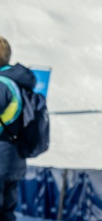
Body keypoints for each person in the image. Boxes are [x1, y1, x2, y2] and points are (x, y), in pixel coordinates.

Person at [0, 36, 35, 221]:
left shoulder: (2, 84)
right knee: (6, 212)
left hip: (1, 157)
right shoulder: (16, 83)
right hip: (14, 158)